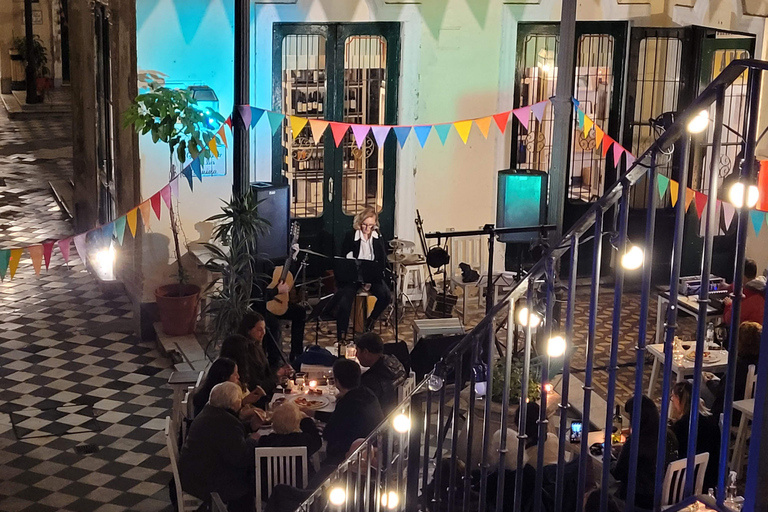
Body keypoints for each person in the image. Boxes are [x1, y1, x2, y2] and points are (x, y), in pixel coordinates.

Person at [179, 381, 258, 512]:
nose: (241, 401)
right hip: (206, 482)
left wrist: (250, 426)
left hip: (194, 474)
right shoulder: (227, 423)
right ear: (232, 404)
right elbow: (242, 458)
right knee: (248, 483)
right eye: (239, 398)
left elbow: (228, 439)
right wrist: (253, 440)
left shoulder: (210, 412)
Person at [311, 358, 384, 466]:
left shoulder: (347, 403)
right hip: (376, 444)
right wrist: (315, 414)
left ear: (337, 381)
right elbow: (341, 418)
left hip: (353, 455)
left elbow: (328, 433)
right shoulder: (367, 393)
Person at [334, 206, 391, 341]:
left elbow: (381, 261)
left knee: (386, 295)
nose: (367, 228)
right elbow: (344, 259)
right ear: (359, 223)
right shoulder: (350, 236)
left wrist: (370, 281)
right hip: (353, 276)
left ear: (375, 225)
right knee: (344, 303)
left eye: (371, 225)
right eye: (364, 224)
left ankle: (369, 322)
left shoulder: (378, 238)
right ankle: (341, 336)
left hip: (371, 276)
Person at [611, 394, 673, 510]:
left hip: (636, 499)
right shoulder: (664, 436)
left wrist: (609, 457)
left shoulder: (636, 442)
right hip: (657, 494)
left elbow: (618, 473)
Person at [250, 255, 307, 363]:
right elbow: (259, 296)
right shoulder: (252, 266)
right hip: (261, 306)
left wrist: (293, 257)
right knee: (273, 324)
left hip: (277, 302)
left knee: (300, 312)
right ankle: (273, 360)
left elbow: (285, 264)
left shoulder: (270, 259)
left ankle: (296, 353)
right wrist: (277, 290)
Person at [670, 381, 721, 491]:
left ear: (678, 399)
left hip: (686, 480)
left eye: (672, 398)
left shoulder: (681, 426)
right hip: (712, 477)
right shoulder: (711, 420)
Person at [711, 321, 761, 421]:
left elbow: (722, 392)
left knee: (693, 384)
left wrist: (710, 381)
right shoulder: (761, 364)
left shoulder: (739, 366)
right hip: (754, 415)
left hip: (731, 414)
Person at [355, 332, 406, 414]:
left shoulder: (371, 382)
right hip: (397, 411)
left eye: (357, 351)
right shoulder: (393, 361)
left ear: (365, 352)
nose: (356, 355)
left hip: (379, 420)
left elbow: (359, 407)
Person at [257, 402, 322, 458]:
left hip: (272, 472)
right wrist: (306, 419)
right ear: (297, 423)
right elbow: (317, 441)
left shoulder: (266, 441)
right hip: (300, 472)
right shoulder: (303, 440)